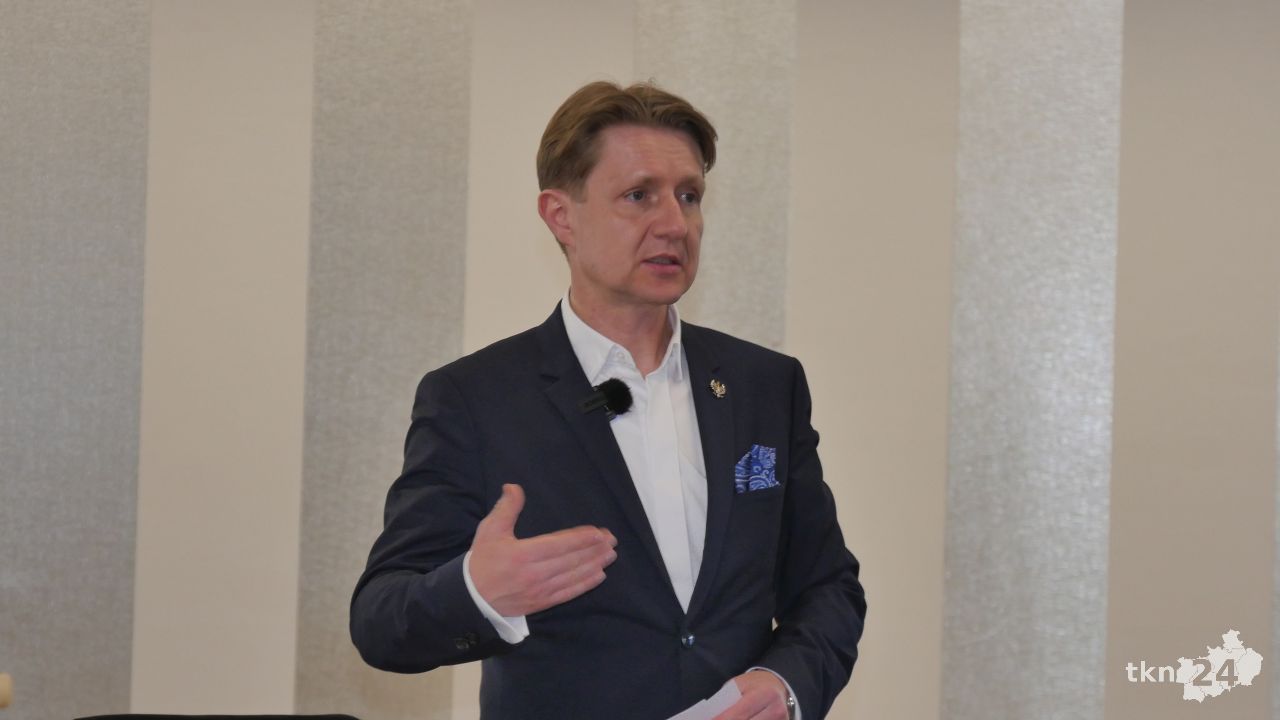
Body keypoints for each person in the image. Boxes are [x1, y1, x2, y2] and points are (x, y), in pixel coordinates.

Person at [350, 81, 866, 720]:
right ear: (560, 216)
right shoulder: (475, 398)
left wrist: (785, 684)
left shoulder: (766, 385)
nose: (674, 224)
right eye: (638, 195)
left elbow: (827, 586)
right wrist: (480, 592)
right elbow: (380, 620)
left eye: (689, 196)